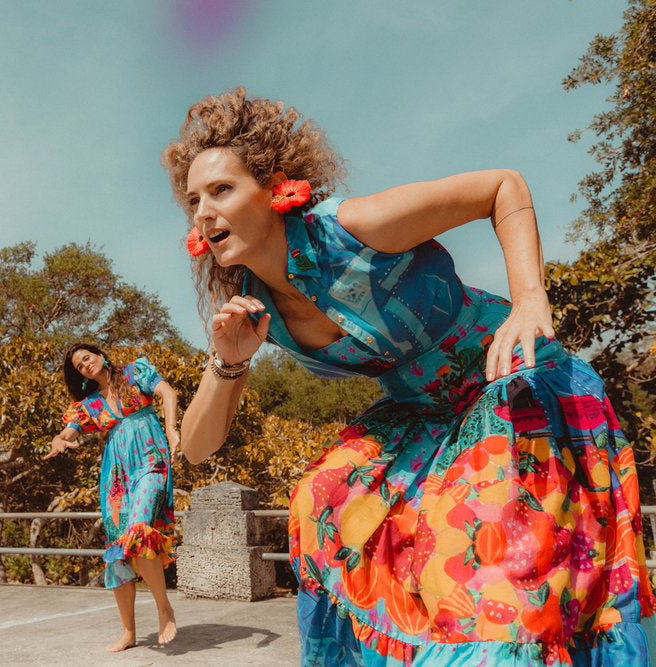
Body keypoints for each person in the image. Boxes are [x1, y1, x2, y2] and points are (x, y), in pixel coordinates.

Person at [162, 87, 656, 666]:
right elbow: (196, 447)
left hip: (504, 375)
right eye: (194, 199)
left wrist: (527, 300)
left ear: (274, 189)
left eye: (221, 189)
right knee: (322, 498)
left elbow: (503, 186)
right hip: (419, 415)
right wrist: (230, 360)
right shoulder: (251, 309)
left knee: (478, 546)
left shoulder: (351, 228)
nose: (203, 210)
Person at [44, 342, 179, 651]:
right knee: (118, 549)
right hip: (116, 477)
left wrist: (171, 429)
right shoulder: (89, 405)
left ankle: (163, 608)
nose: (85, 366)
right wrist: (59, 439)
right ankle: (129, 631)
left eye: (86, 358)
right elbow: (70, 431)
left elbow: (167, 393)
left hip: (150, 459)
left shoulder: (135, 373)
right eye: (79, 366)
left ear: (100, 356)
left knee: (138, 532)